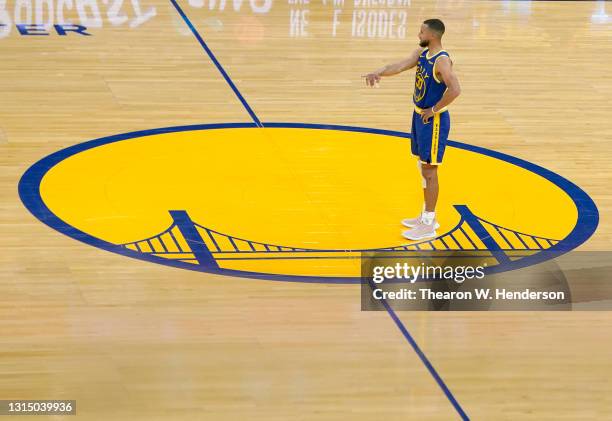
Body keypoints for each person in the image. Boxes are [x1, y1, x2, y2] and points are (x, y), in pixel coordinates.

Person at [362, 18, 461, 240]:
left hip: (432, 121)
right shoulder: (422, 53)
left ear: (432, 36)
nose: (419, 35)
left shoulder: (442, 61)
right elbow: (399, 66)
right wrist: (378, 72)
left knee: (430, 170)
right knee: (422, 167)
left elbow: (455, 89)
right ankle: (426, 215)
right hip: (419, 116)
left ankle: (429, 221)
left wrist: (434, 109)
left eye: (422, 32)